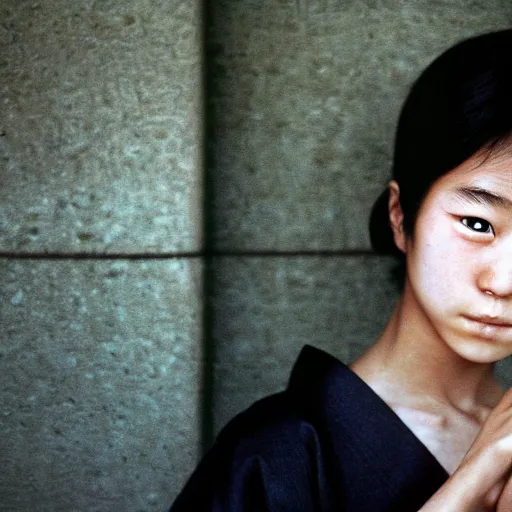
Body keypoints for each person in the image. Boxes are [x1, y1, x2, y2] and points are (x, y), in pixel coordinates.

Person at [170, 30, 512, 511]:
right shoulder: (279, 454)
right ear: (401, 215)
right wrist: (470, 484)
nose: (503, 282)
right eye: (477, 224)